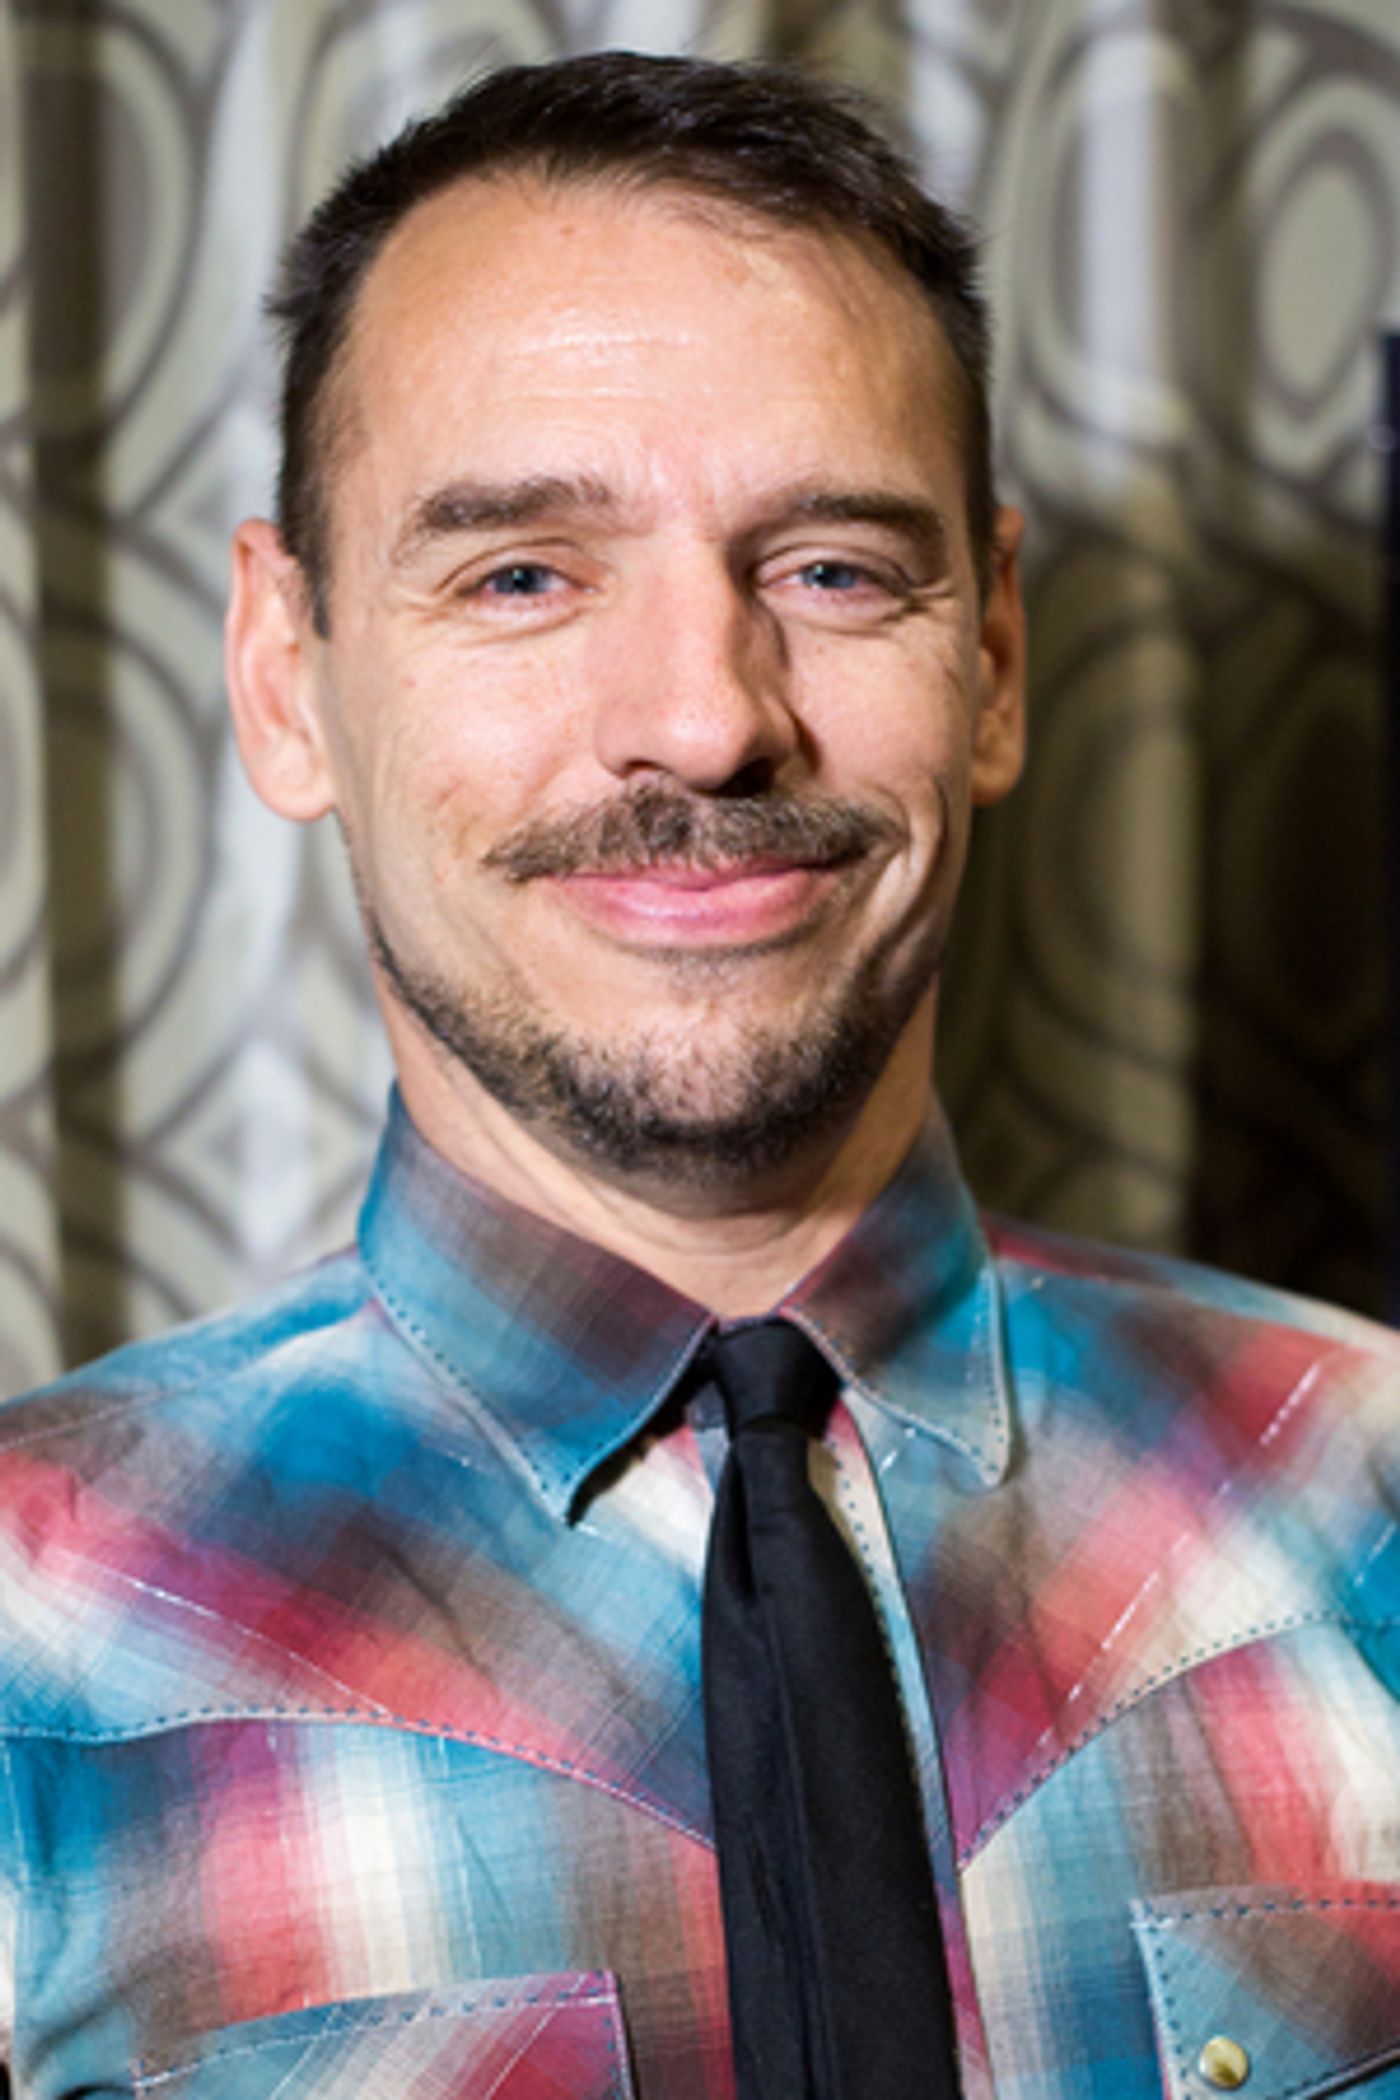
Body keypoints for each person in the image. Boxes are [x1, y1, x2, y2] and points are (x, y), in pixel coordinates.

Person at [2, 49, 1399, 2100]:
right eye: (520, 575)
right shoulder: (31, 1651)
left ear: (993, 656)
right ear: (284, 677)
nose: (704, 720)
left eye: (832, 568)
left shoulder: (1369, 1498)